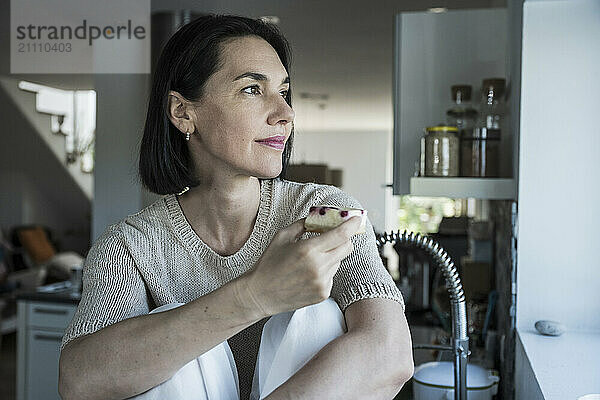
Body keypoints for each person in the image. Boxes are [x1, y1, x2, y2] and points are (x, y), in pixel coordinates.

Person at [58, 14, 413, 400]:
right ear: (183, 112)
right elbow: (79, 382)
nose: (286, 114)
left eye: (283, 91)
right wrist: (255, 295)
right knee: (158, 328)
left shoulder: (325, 213)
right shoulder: (131, 246)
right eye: (251, 90)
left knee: (319, 313)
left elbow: (390, 355)